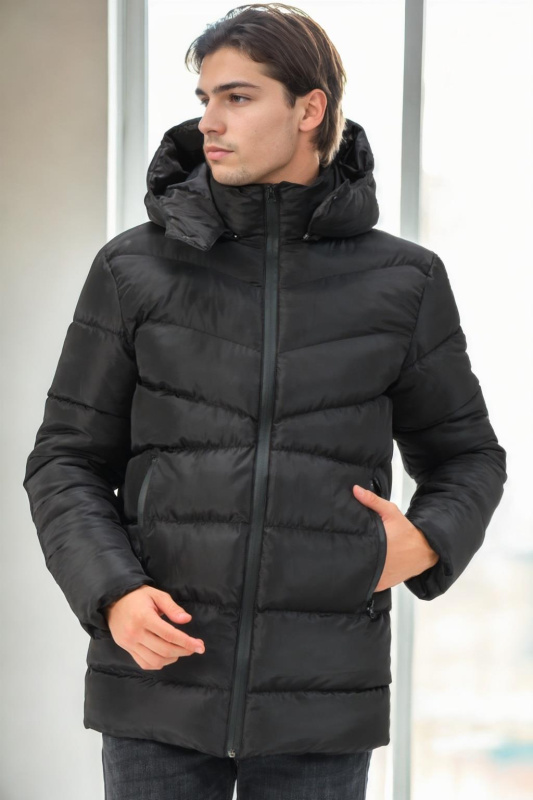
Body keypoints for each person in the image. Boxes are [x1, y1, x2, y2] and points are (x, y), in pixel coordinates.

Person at [23, 3, 507, 799]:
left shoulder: (404, 282)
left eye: (238, 97)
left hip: (321, 701)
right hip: (159, 686)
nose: (209, 122)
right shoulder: (133, 269)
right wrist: (111, 592)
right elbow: (64, 460)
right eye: (205, 98)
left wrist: (428, 541)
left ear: (308, 109)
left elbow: (467, 456)